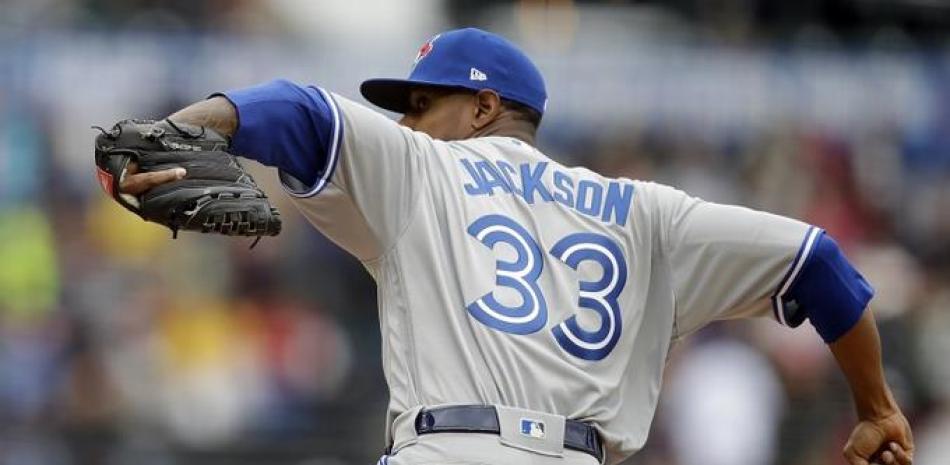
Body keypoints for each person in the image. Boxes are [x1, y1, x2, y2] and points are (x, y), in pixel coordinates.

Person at [110, 28, 913, 465]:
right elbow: (822, 264)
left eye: (424, 103)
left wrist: (186, 127)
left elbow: (295, 108)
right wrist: (876, 408)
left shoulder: (427, 166)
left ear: (485, 107)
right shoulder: (648, 212)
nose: (406, 122)